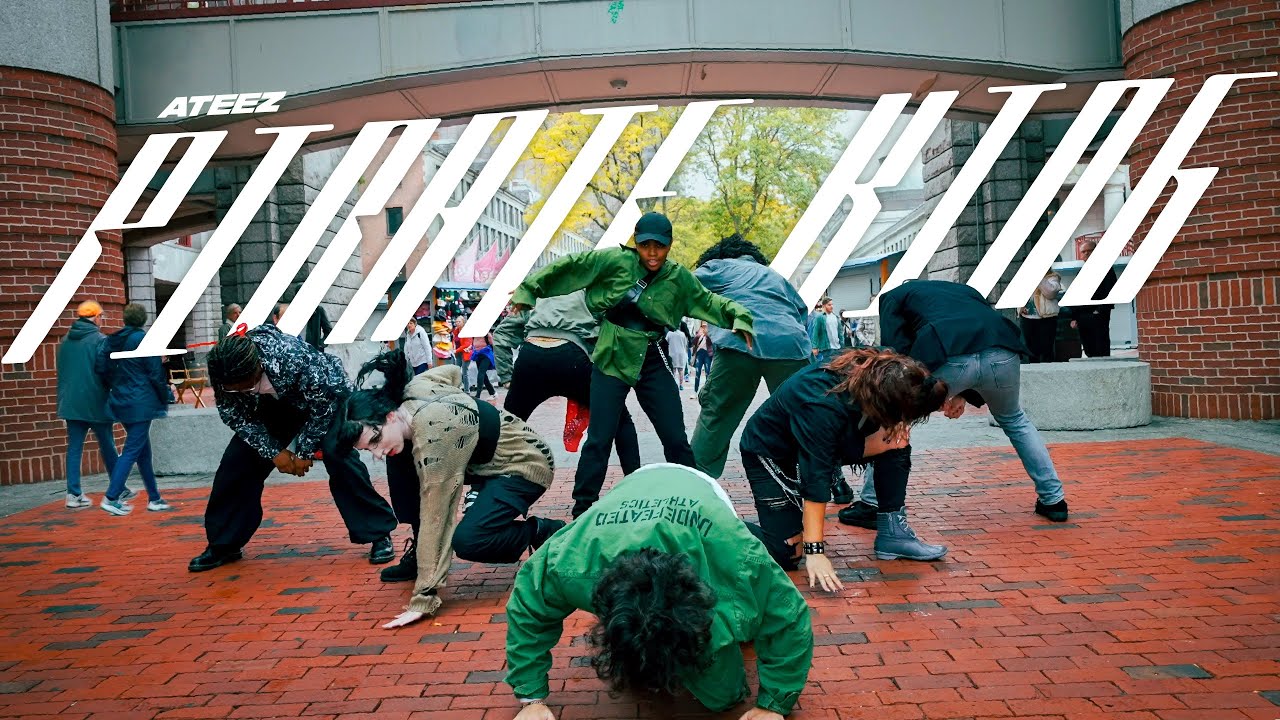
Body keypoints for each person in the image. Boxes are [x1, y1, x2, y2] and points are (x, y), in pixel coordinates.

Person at [505, 464, 812, 720]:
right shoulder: (572, 562)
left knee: (724, 697)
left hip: (697, 489)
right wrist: (531, 699)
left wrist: (774, 704)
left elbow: (788, 615)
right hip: (635, 488)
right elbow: (527, 606)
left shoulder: (733, 552)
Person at [511, 211, 755, 518]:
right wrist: (529, 289)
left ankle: (698, 500)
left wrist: (740, 318)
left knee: (676, 439)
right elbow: (572, 267)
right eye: (645, 245)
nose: (652, 253)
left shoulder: (679, 278)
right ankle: (582, 509)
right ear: (635, 242)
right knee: (599, 439)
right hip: (611, 355)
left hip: (652, 358)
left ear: (669, 245)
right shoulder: (614, 261)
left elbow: (709, 302)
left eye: (660, 246)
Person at [329, 350, 564, 623]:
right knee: (399, 457)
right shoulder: (409, 393)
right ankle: (420, 551)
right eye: (368, 449)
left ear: (391, 416)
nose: (376, 453)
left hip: (524, 465)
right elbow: (450, 373)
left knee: (468, 540)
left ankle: (541, 531)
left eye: (375, 440)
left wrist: (424, 598)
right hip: (486, 464)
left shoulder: (434, 430)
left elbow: (437, 515)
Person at [839, 279, 1070, 526]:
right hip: (1003, 349)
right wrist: (957, 393)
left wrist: (940, 392)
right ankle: (1054, 500)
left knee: (893, 420)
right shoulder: (965, 289)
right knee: (1015, 420)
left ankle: (872, 504)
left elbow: (898, 354)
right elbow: (977, 347)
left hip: (949, 355)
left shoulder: (894, 296)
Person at [189, 324, 398, 572]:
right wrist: (274, 452)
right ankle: (224, 543)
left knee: (338, 455)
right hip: (275, 404)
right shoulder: (224, 370)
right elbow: (236, 416)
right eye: (233, 389)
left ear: (256, 369)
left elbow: (322, 408)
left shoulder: (290, 357)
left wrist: (303, 453)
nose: (237, 392)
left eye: (243, 386)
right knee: (238, 462)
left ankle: (378, 533)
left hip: (326, 398)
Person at [742, 349, 949, 573]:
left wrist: (906, 418)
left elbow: (929, 387)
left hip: (827, 441)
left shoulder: (886, 368)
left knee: (896, 440)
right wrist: (815, 551)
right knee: (786, 554)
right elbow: (816, 477)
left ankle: (893, 535)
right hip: (771, 454)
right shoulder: (820, 405)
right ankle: (719, 523)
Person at [688, 235, 811, 479]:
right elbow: (801, 311)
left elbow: (680, 284)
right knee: (805, 414)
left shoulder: (717, 266)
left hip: (739, 343)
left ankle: (697, 483)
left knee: (717, 414)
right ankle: (827, 477)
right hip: (790, 345)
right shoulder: (774, 276)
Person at [492, 291, 641, 468]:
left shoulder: (538, 292)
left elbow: (501, 334)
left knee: (506, 426)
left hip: (531, 357)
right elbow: (612, 330)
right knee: (619, 419)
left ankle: (482, 481)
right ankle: (633, 476)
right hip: (572, 358)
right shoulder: (590, 291)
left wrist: (507, 376)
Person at [95, 304, 172, 515]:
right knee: (131, 450)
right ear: (143, 320)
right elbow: (155, 373)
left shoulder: (114, 340)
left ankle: (154, 498)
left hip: (121, 399)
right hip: (140, 402)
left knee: (142, 451)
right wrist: (164, 396)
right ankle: (111, 497)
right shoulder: (143, 340)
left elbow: (101, 367)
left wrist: (114, 385)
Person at [57, 300, 119, 509]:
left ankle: (73, 494)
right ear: (95, 317)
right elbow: (108, 372)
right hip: (96, 400)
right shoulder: (100, 340)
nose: (103, 320)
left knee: (74, 447)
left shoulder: (66, 340)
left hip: (71, 402)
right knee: (108, 445)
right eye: (102, 316)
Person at [1071, 239, 1118, 357]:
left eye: (1089, 251)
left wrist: (1100, 310)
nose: (1086, 253)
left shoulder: (1106, 269)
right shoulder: (1080, 273)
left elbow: (1110, 290)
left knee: (1101, 345)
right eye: (1083, 251)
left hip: (1098, 313)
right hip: (1083, 316)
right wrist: (1074, 317)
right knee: (1088, 346)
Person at [1019, 270, 1064, 363]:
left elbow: (1050, 293)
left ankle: (1048, 370)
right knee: (1031, 348)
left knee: (1046, 348)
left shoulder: (1053, 277)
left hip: (1047, 317)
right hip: (1027, 317)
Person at [808, 296, 841, 364]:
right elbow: (815, 333)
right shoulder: (817, 317)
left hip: (832, 347)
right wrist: (814, 347)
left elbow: (839, 333)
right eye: (829, 304)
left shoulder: (834, 317)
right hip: (822, 347)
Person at [471, 332, 497, 399]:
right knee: (484, 376)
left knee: (481, 374)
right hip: (478, 355)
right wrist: (469, 348)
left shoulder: (487, 335)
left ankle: (478, 395)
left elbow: (493, 344)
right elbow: (473, 345)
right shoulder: (474, 335)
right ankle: (493, 393)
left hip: (486, 355)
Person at [691, 320, 714, 392]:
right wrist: (698, 336)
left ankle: (707, 391)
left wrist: (707, 335)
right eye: (703, 326)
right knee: (697, 373)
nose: (704, 327)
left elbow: (711, 343)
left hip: (707, 354)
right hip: (699, 354)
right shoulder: (699, 332)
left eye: (705, 326)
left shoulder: (710, 333)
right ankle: (695, 391)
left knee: (708, 372)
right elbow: (693, 342)